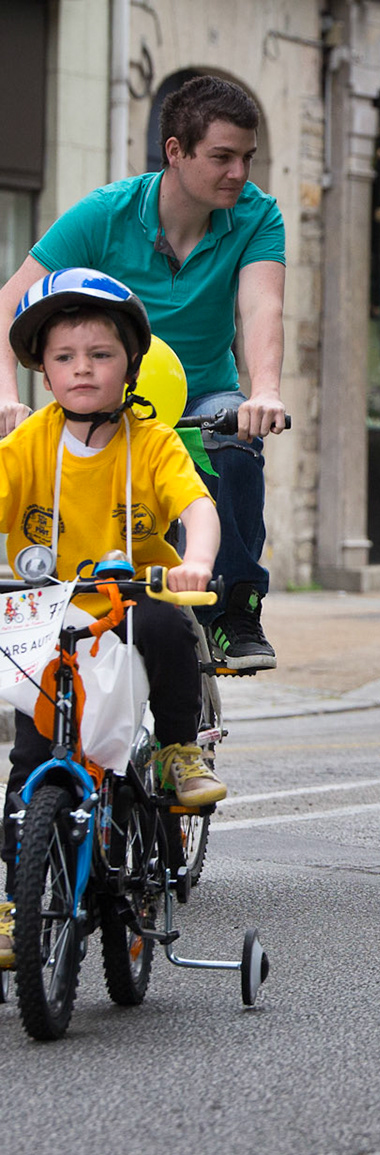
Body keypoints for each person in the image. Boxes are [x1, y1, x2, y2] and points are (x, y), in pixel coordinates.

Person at [0, 76, 290, 674]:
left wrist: (264, 391)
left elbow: (263, 306)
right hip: (113, 387)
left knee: (235, 447)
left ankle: (234, 611)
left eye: (247, 158)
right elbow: (9, 304)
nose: (240, 172)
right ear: (175, 151)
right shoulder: (105, 215)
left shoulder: (258, 215)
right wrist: (6, 396)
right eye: (222, 157)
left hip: (205, 391)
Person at [3, 272, 227, 804]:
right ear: (43, 373)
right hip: (48, 606)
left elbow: (197, 507)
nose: (81, 367)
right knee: (30, 754)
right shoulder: (29, 442)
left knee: (169, 628)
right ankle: (22, 875)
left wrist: (195, 557)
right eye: (63, 357)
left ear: (131, 364)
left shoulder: (153, 442)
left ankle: (178, 750)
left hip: (132, 597)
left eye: (100, 354)